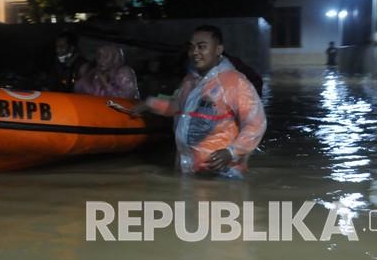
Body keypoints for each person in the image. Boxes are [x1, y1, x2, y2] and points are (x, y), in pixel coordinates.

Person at [131, 25, 266, 179]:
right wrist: (150, 104)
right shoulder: (190, 80)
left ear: (218, 49)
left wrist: (232, 152)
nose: (194, 52)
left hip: (221, 174)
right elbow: (179, 107)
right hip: (189, 168)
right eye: (192, 47)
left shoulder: (235, 82)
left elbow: (256, 122)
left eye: (202, 47)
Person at [73, 44, 140, 99]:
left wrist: (105, 84)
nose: (101, 60)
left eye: (106, 57)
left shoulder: (124, 73)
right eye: (99, 56)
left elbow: (126, 99)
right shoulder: (94, 73)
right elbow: (78, 88)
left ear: (115, 58)